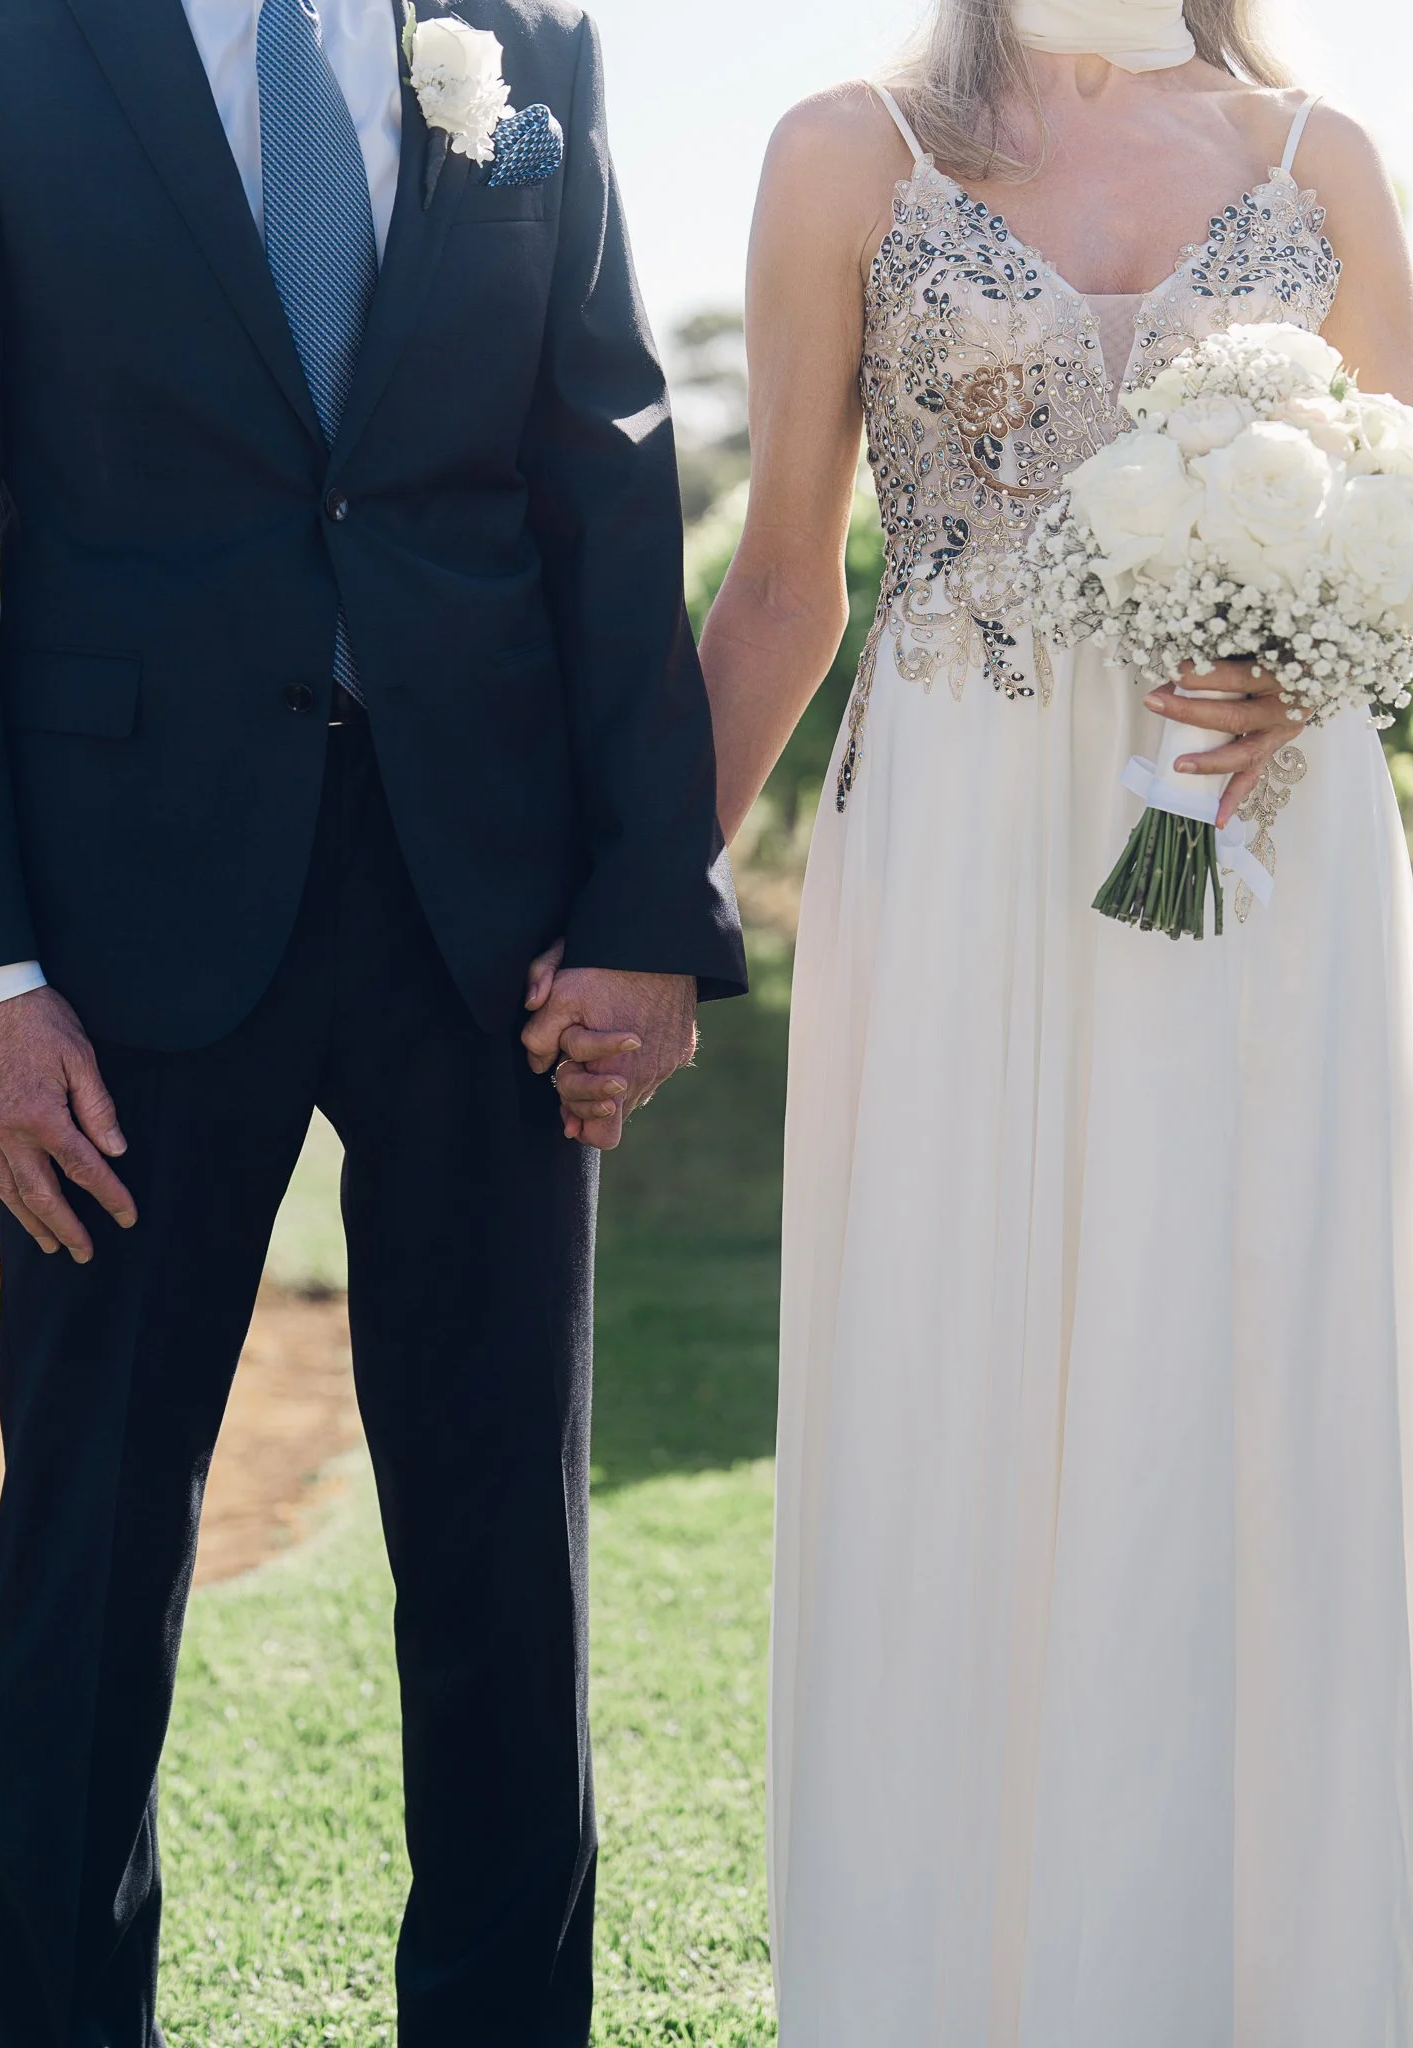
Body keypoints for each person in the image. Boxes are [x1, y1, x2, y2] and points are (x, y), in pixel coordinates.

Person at [0, 0, 745, 2040]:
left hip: (492, 917)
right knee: (91, 1563)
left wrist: (644, 905)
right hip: (115, 926)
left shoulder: (530, 38)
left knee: (502, 1575)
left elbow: (611, 464)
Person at [700, 0, 1413, 2037]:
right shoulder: (852, 150)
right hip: (964, 842)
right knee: (960, 1371)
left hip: (1266, 840)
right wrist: (626, 911)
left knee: (1249, 1383)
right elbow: (783, 587)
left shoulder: (1326, 160)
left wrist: (1326, 638)